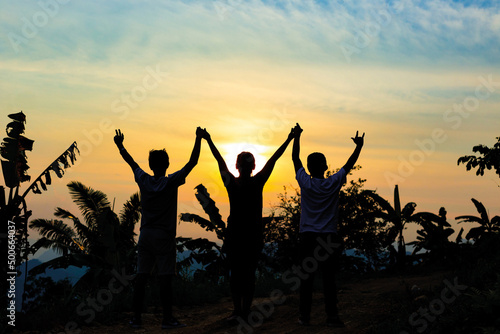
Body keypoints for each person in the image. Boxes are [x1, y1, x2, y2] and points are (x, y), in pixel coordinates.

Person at [201, 128, 295, 322]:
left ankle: (238, 311)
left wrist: (208, 140)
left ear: (237, 166)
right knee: (248, 273)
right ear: (253, 167)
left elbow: (220, 161)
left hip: (236, 235)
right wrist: (289, 139)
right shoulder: (257, 182)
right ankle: (244, 310)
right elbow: (273, 160)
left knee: (236, 273)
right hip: (252, 235)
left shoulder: (232, 183)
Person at [113, 127, 203, 329]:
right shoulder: (170, 182)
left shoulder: (143, 180)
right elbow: (192, 163)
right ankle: (167, 319)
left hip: (145, 235)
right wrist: (198, 139)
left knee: (141, 277)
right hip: (163, 236)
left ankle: (135, 319)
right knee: (165, 279)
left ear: (151, 165)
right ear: (168, 164)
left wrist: (120, 146)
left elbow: (132, 163)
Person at [291, 123, 364, 327]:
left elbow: (295, 159)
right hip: (328, 238)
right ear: (324, 167)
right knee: (329, 279)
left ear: (310, 168)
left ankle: (304, 317)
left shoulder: (305, 182)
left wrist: (296, 137)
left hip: (307, 237)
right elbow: (348, 165)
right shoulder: (333, 183)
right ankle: (332, 316)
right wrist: (358, 146)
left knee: (306, 280)